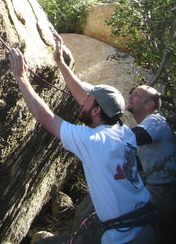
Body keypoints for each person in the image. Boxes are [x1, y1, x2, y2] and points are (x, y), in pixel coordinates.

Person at [9, 38, 158, 244]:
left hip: (125, 237)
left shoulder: (94, 141)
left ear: (96, 110)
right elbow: (83, 96)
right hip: (146, 224)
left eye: (87, 100)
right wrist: (60, 62)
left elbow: (45, 116)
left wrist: (21, 77)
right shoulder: (124, 132)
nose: (82, 101)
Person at [127, 85, 176, 242]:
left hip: (164, 190)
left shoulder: (155, 120)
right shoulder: (150, 124)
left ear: (150, 105)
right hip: (157, 189)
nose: (130, 97)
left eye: (136, 95)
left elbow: (138, 137)